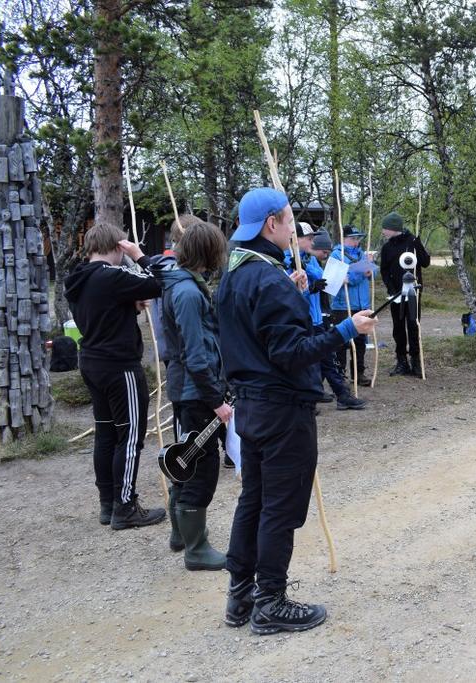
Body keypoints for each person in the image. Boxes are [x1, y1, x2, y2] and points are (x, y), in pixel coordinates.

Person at [215, 187, 377, 635]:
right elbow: (291, 352)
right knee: (279, 508)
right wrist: (346, 328)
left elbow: (258, 333)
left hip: (252, 404)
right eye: (289, 221)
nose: (293, 229)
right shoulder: (265, 278)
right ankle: (269, 599)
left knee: (255, 500)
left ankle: (241, 594)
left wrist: (290, 291)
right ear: (271, 224)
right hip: (282, 408)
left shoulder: (237, 274)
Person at [64, 222, 166, 529]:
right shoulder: (112, 275)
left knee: (106, 433)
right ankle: (125, 506)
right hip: (119, 365)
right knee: (131, 435)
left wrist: (131, 306)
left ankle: (108, 504)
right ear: (117, 246)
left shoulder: (77, 279)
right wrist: (139, 256)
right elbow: (158, 283)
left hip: (92, 361)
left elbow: (103, 315)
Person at [158, 220, 232, 571]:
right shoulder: (186, 292)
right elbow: (194, 352)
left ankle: (181, 534)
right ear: (208, 252)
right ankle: (196, 548)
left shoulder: (189, 284)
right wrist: (215, 399)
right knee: (200, 465)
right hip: (194, 391)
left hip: (192, 388)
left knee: (187, 457)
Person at [286, 224, 365, 410]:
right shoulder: (287, 260)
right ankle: (309, 399)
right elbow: (289, 292)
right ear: (296, 239)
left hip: (316, 318)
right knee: (309, 362)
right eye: (309, 238)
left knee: (327, 357)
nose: (312, 242)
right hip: (302, 319)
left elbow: (324, 278)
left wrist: (323, 283)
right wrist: (310, 289)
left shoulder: (310, 260)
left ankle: (342, 395)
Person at [379, 211, 430, 377]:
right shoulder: (387, 247)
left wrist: (418, 244)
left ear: (393, 228)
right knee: (398, 327)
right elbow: (384, 270)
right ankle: (402, 362)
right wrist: (391, 289)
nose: (383, 232)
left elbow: (426, 262)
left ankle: (416, 362)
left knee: (413, 325)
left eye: (385, 228)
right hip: (395, 294)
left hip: (413, 291)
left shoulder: (412, 242)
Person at [329, 225, 378, 387]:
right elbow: (341, 279)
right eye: (352, 238)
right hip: (343, 305)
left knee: (361, 340)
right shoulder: (337, 255)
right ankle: (340, 374)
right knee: (342, 341)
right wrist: (360, 273)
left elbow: (371, 274)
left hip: (362, 303)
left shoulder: (363, 255)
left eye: (358, 238)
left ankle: (359, 373)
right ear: (343, 239)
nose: (356, 242)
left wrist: (371, 271)